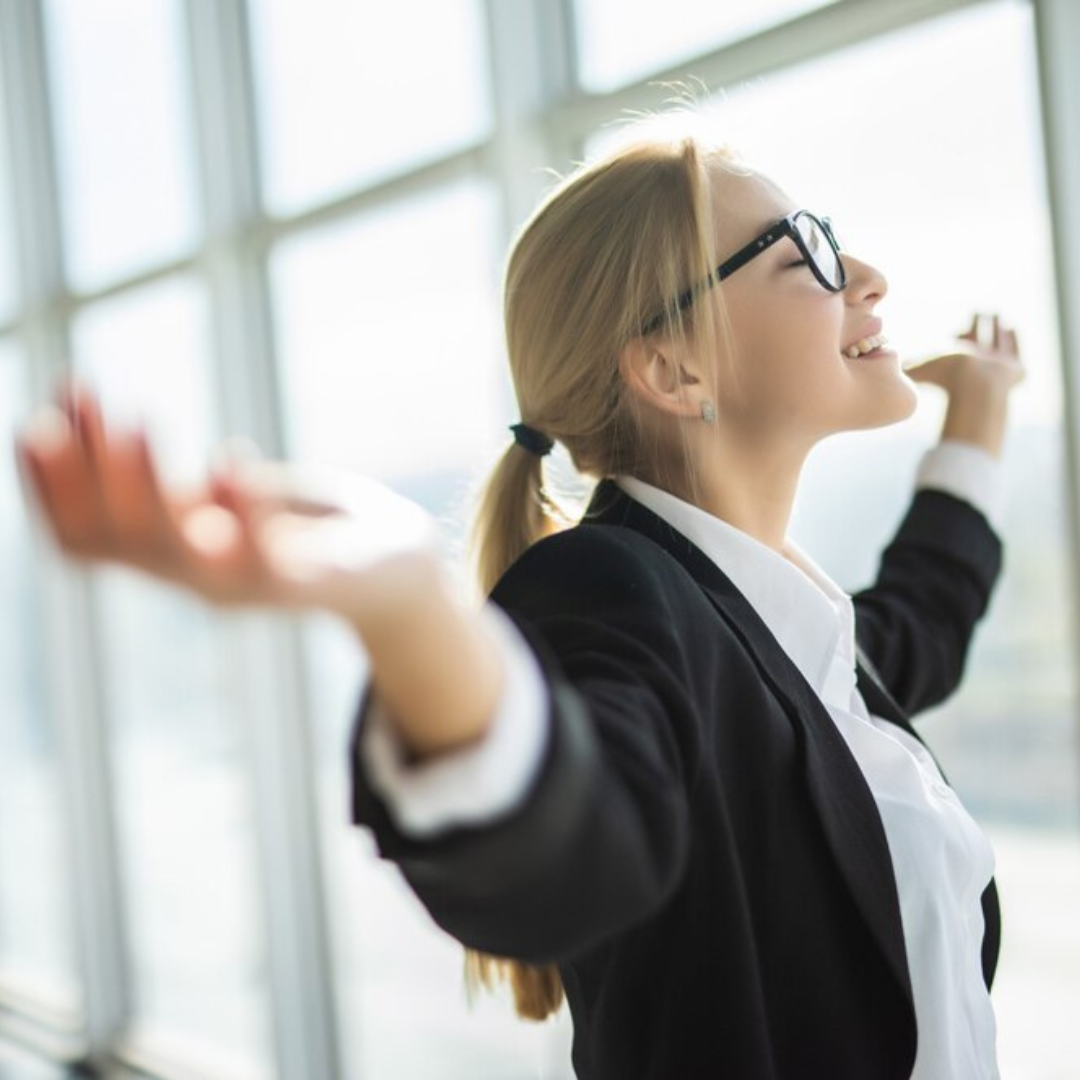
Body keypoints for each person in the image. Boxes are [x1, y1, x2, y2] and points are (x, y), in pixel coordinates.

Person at [15, 133, 1024, 1079]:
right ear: (674, 368)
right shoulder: (611, 591)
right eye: (801, 249)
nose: (866, 277)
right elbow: (574, 835)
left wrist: (975, 421)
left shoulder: (782, 629)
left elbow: (916, 630)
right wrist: (411, 608)